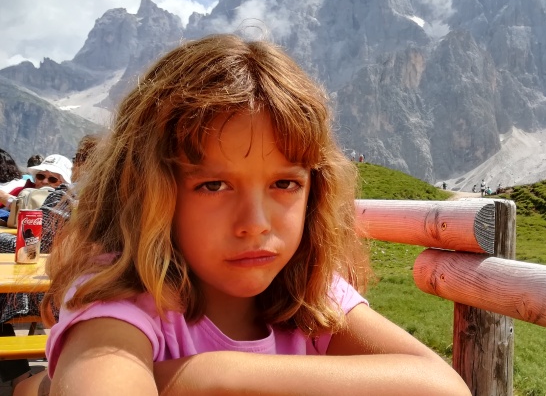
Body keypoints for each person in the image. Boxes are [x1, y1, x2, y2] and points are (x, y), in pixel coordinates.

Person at [29, 35, 469, 396]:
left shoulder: (311, 296)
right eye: (213, 186)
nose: (256, 222)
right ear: (143, 192)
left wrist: (212, 375)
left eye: (284, 184)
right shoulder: (122, 303)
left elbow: (443, 388)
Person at [0, 136, 99, 391]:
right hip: (92, 296)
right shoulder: (131, 200)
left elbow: (34, 246)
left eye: (52, 178)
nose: (44, 182)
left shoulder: (68, 196)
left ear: (78, 166)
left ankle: (19, 375)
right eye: (41, 177)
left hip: (50, 294)